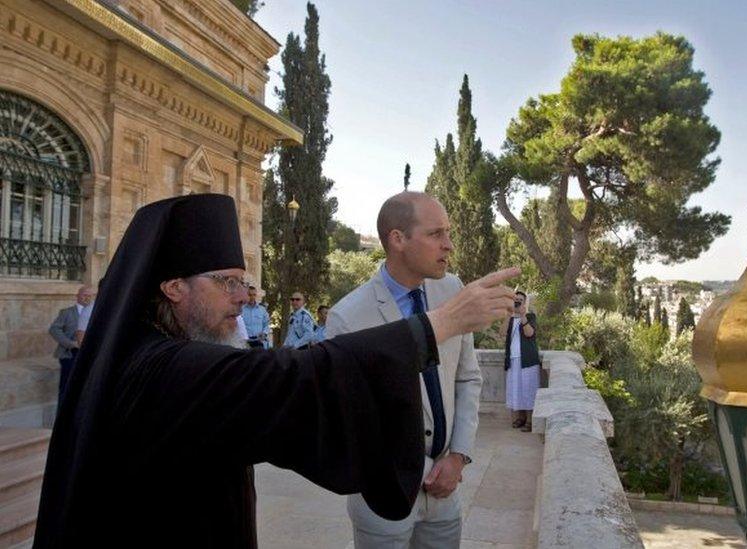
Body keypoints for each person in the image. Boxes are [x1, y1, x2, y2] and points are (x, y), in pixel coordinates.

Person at [33, 193, 518, 548]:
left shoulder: (159, 350)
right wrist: (444, 322)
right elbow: (295, 376)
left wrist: (456, 453)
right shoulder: (162, 368)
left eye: (244, 283)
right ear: (175, 287)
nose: (244, 297)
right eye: (229, 282)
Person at [327, 191, 481, 549]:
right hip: (384, 498)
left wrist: (457, 457)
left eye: (448, 232)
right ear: (397, 239)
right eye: (436, 234)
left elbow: (467, 377)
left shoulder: (452, 290)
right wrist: (427, 470)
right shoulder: (347, 318)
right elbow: (350, 422)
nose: (449, 245)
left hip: (446, 494)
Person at [48, 285, 94, 407]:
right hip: (70, 354)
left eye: (90, 296)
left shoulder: (94, 313)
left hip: (88, 355)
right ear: (78, 296)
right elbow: (54, 329)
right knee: (66, 387)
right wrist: (70, 343)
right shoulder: (66, 312)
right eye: (85, 295)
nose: (87, 298)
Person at [505, 291, 541, 432]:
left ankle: (530, 420)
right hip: (513, 360)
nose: (517, 302)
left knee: (529, 389)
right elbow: (502, 333)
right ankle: (521, 418)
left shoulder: (530, 317)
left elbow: (529, 333)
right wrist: (508, 315)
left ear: (524, 303)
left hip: (528, 359)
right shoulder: (510, 319)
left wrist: (523, 315)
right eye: (515, 300)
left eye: (520, 300)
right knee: (517, 390)